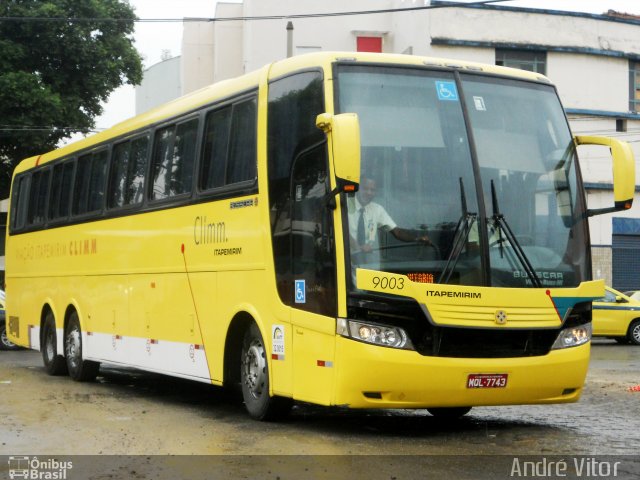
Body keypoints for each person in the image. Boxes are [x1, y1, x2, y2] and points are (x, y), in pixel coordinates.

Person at [348, 177, 431, 263]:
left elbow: (397, 232)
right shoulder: (345, 205)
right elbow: (341, 231)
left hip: (369, 264)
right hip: (347, 262)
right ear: (358, 188)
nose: (369, 192)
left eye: (372, 190)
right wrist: (358, 248)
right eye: (365, 188)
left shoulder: (377, 209)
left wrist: (417, 239)